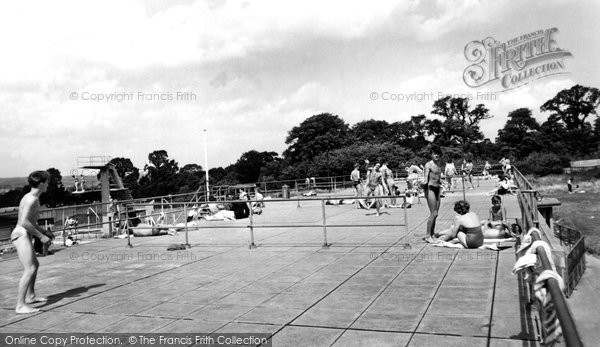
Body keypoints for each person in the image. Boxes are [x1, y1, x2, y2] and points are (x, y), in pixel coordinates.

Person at [11, 171, 54, 313]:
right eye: (47, 182)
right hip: (21, 234)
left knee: (35, 265)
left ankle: (30, 297)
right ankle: (20, 305)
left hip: (25, 233)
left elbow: (31, 222)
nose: (48, 184)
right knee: (29, 268)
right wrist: (41, 237)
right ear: (41, 183)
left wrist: (44, 232)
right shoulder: (31, 199)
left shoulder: (34, 198)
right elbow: (23, 222)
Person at [424, 146, 443, 241]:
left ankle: (432, 234)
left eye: (438, 154)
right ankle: (428, 236)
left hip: (437, 189)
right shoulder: (428, 165)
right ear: (431, 155)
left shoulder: (439, 165)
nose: (436, 155)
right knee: (434, 213)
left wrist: (442, 182)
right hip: (430, 189)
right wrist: (421, 183)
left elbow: (438, 178)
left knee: (436, 214)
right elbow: (425, 178)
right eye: (434, 154)